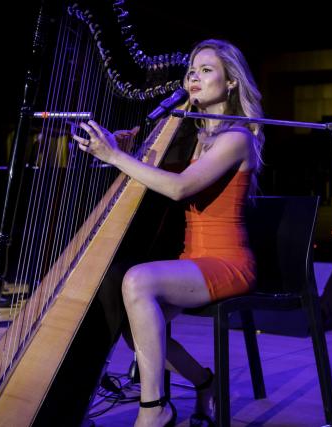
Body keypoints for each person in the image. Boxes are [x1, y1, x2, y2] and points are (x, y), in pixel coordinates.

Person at [72, 39, 263, 427]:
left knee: (137, 281)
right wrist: (127, 151)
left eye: (206, 69)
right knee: (130, 324)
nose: (194, 76)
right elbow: (154, 180)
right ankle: (205, 382)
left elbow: (178, 188)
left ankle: (154, 409)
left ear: (231, 82)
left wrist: (115, 156)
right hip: (192, 258)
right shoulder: (193, 137)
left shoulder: (236, 137)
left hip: (228, 263)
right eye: (192, 70)